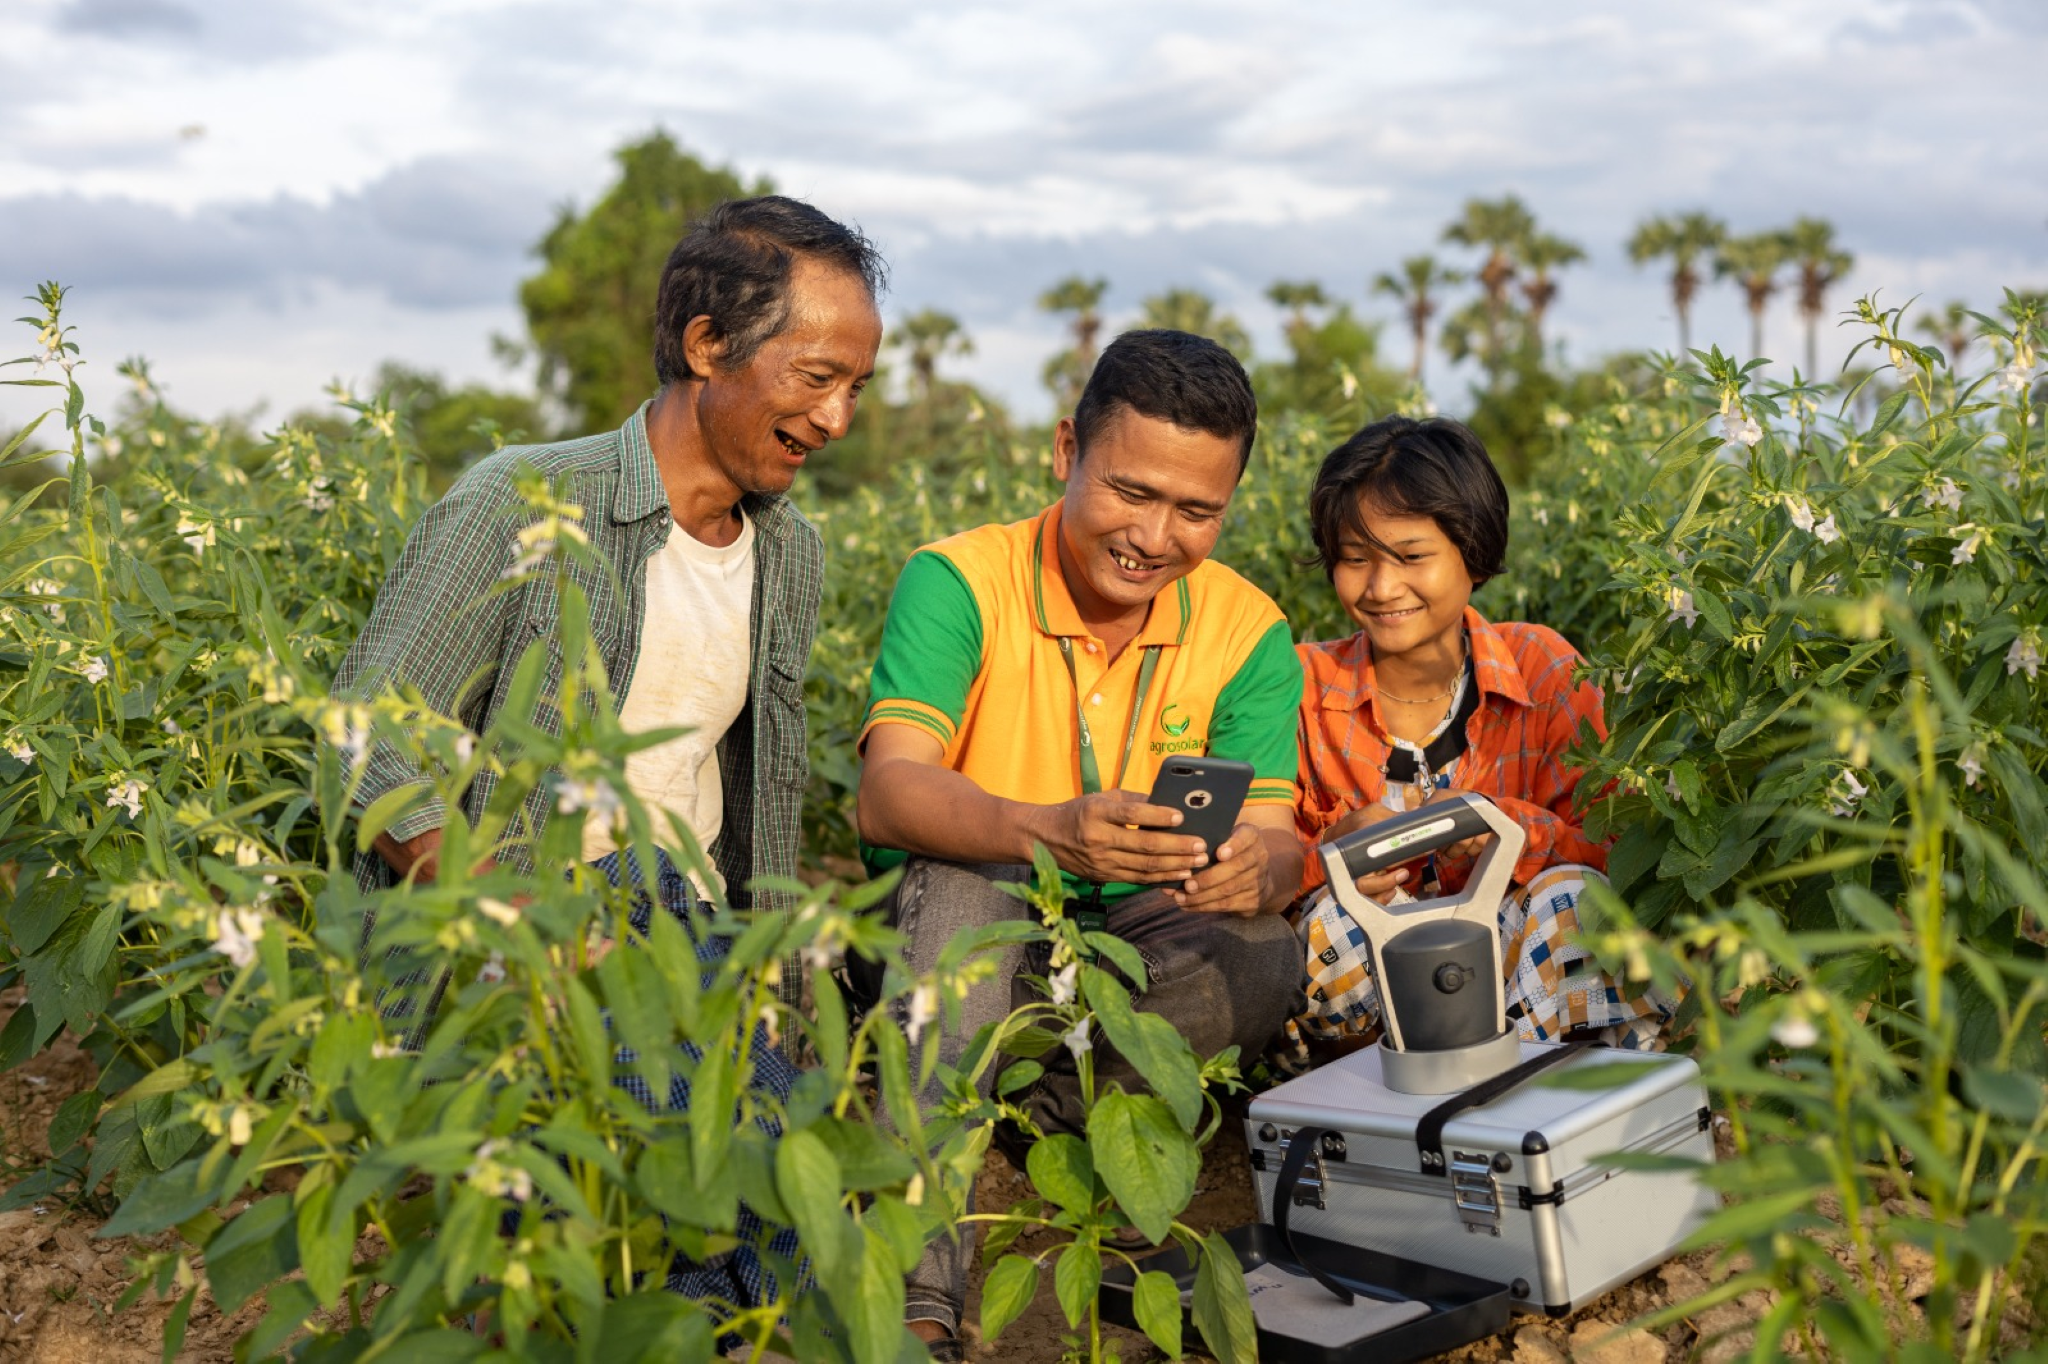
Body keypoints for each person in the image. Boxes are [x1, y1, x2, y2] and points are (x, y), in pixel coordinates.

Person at [333, 194, 885, 1309]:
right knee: (702, 1196)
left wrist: (762, 985)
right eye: (814, 376)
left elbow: (744, 809)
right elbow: (364, 738)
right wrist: (523, 924)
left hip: (682, 935)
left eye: (856, 387)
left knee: (806, 1204)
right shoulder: (525, 502)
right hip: (531, 915)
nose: (836, 419)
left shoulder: (791, 554)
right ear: (704, 345)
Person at [855, 329, 1307, 1352]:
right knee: (967, 901)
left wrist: (1252, 869)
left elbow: (1276, 839)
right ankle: (918, 1282)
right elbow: (885, 796)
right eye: (1129, 492)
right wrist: (1045, 830)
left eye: (1196, 510)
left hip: (1129, 946)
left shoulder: (1246, 628)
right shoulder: (960, 580)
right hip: (960, 910)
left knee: (1261, 948)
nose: (1154, 535)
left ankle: (1039, 1108)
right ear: (1065, 452)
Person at [1291, 415, 1671, 1052]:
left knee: (1575, 904)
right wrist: (1329, 854)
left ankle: (1498, 1106)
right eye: (1355, 560)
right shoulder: (1304, 687)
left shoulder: (1543, 667)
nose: (1382, 588)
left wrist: (1501, 827)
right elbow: (1260, 879)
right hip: (1375, 1006)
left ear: (1473, 551)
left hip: (1528, 975)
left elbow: (1618, 858)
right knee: (1329, 927)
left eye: (1412, 557)